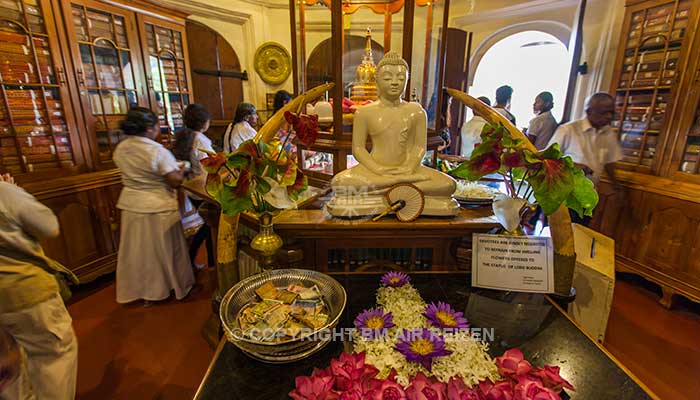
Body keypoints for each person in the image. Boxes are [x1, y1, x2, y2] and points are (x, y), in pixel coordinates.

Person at [328, 51, 457, 217]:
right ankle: (398, 186)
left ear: (407, 80)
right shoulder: (365, 113)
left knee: (448, 184)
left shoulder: (416, 111)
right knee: (339, 183)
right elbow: (358, 149)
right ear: (377, 81)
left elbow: (419, 147)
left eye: (401, 78)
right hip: (374, 171)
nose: (395, 83)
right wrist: (379, 169)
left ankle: (391, 186)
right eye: (388, 78)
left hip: (409, 171)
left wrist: (409, 168)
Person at [0, 172, 78, 400]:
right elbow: (48, 226)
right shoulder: (4, 191)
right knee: (54, 355)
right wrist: (14, 192)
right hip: (24, 289)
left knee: (10, 364)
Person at [113, 107, 194, 305]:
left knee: (138, 252)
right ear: (149, 128)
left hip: (132, 205)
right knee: (164, 251)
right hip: (157, 206)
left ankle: (142, 291)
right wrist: (184, 169)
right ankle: (168, 287)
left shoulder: (121, 148)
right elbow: (174, 180)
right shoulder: (155, 150)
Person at [547, 92, 623, 225]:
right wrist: (578, 167)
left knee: (579, 235)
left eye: (611, 112)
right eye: (604, 113)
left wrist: (617, 186)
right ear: (589, 111)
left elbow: (609, 162)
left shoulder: (608, 134)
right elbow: (548, 159)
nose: (609, 117)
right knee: (558, 236)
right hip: (565, 197)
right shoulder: (568, 130)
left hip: (588, 198)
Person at [172, 104, 215, 270]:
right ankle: (205, 260)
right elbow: (208, 165)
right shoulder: (200, 140)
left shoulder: (184, 136)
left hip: (190, 188)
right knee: (208, 226)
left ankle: (198, 259)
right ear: (204, 122)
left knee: (204, 226)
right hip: (202, 188)